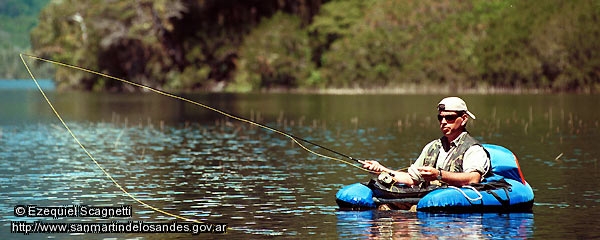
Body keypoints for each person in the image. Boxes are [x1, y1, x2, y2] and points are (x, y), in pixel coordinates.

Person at [360, 96, 491, 188]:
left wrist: (438, 175)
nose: (443, 122)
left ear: (463, 119)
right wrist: (380, 169)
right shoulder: (432, 147)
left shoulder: (474, 149)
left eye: (449, 117)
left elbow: (473, 179)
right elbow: (412, 179)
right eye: (440, 117)